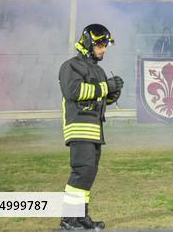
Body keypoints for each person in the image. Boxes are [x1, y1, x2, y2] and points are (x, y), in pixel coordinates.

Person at [58, 24, 123, 230]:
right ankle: (68, 220)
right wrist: (106, 87)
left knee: (88, 173)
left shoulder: (98, 69)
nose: (103, 49)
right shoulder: (71, 66)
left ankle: (80, 217)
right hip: (79, 127)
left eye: (105, 45)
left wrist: (113, 93)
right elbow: (74, 91)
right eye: (100, 45)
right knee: (81, 171)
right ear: (88, 43)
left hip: (95, 130)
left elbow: (99, 97)